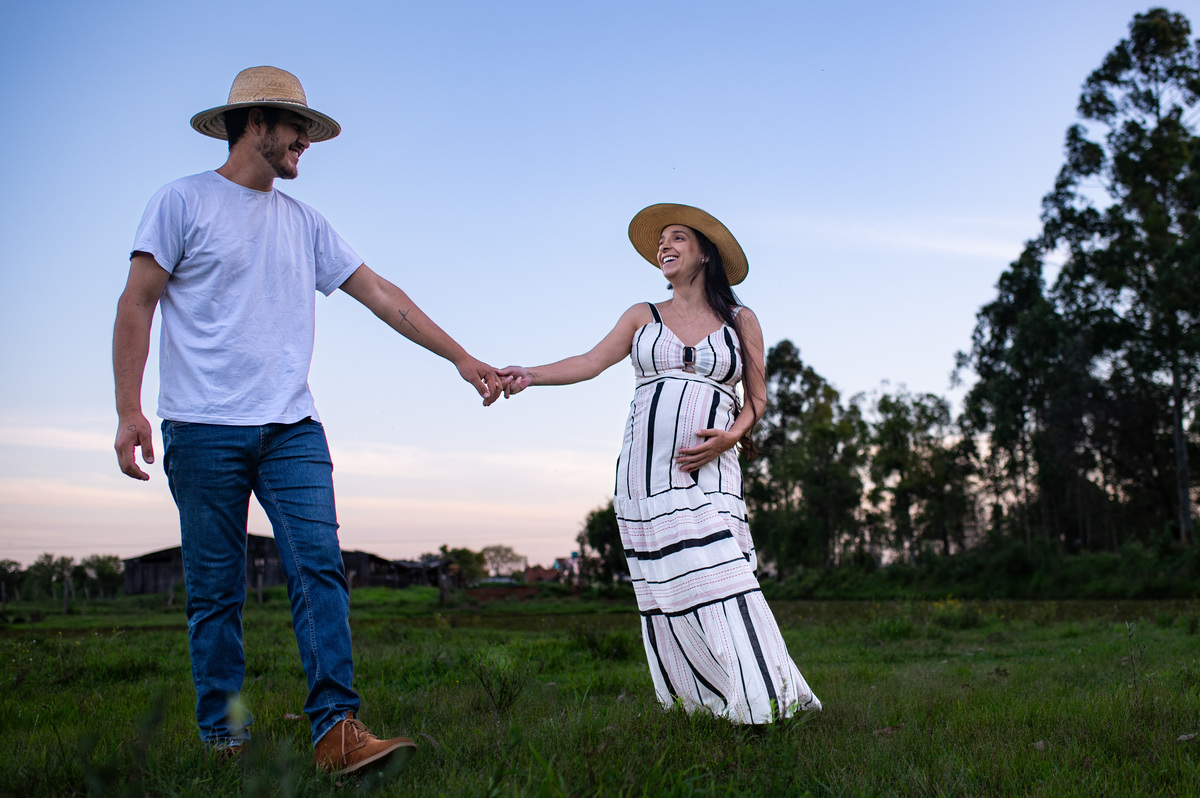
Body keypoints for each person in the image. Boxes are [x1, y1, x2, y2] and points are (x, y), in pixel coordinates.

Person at [112, 66, 502, 774]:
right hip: (200, 429)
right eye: (298, 128)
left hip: (292, 428)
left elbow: (380, 293)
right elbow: (137, 302)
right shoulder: (180, 202)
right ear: (255, 124)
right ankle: (226, 737)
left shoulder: (305, 222)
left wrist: (461, 357)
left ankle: (337, 730)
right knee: (215, 593)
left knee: (318, 567)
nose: (307, 142)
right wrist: (128, 409)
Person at [499, 204, 820, 723]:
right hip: (645, 473)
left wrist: (729, 438)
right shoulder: (641, 315)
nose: (663, 248)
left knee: (721, 576)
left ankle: (768, 700)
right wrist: (529, 374)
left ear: (705, 253)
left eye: (677, 239)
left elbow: (758, 399)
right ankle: (704, 705)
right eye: (660, 243)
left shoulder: (742, 321)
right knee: (669, 584)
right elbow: (589, 361)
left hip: (713, 468)